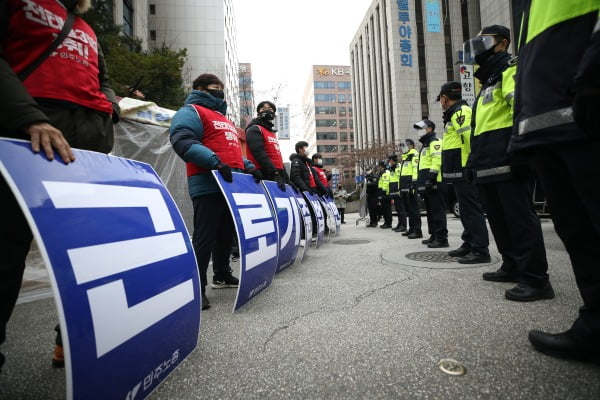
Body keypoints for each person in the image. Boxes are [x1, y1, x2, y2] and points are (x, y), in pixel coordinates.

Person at [0, 0, 120, 371]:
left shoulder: (85, 26)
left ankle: (71, 341)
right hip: (26, 136)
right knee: (6, 250)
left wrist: (109, 107)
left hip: (87, 145)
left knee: (87, 251)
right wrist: (28, 117)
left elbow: (103, 80)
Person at [510, 1, 599, 362]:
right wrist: (518, 140)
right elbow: (529, 70)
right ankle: (594, 326)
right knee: (578, 232)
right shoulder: (532, 8)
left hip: (586, 107)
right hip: (547, 126)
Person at [463, 25, 553, 301]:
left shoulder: (510, 69)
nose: (477, 46)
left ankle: (536, 279)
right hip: (487, 160)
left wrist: (521, 149)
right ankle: (512, 265)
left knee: (519, 219)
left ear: (501, 44)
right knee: (500, 219)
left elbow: (519, 109)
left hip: (507, 156)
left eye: (484, 41)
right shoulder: (489, 79)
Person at [170, 73, 261, 311]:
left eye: (221, 88)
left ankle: (221, 274)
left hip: (230, 186)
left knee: (225, 234)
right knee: (205, 237)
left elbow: (231, 150)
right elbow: (183, 140)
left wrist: (249, 167)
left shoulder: (224, 119)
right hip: (207, 183)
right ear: (200, 88)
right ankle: (196, 287)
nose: (219, 92)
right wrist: (214, 162)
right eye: (214, 87)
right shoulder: (191, 111)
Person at [437, 81, 490, 264]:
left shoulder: (461, 112)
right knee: (466, 210)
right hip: (459, 171)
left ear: (444, 98)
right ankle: (469, 243)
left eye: (441, 99)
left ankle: (480, 249)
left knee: (472, 210)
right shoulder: (455, 113)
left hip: (465, 170)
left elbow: (469, 139)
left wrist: (469, 166)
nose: (441, 103)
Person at [413, 119, 448, 247]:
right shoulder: (425, 145)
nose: (419, 131)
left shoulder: (435, 142)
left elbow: (437, 160)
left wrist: (431, 178)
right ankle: (434, 235)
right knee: (431, 212)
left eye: (421, 128)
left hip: (435, 182)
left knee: (438, 211)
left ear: (430, 129)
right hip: (427, 183)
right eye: (418, 129)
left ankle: (442, 238)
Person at [245, 100, 291, 191]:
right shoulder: (254, 129)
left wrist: (286, 178)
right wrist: (274, 173)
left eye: (270, 109)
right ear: (258, 113)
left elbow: (278, 156)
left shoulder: (271, 133)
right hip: (266, 174)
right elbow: (259, 152)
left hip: (278, 174)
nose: (267, 110)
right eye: (263, 109)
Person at [400, 139, 422, 238]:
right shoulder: (405, 157)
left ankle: (417, 231)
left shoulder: (414, 155)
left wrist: (413, 184)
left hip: (411, 186)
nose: (403, 148)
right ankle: (412, 229)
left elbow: (415, 170)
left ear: (411, 146)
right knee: (408, 210)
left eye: (405, 145)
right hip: (404, 187)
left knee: (414, 209)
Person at [387, 154, 407, 232]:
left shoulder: (398, 167)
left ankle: (403, 225)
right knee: (398, 209)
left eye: (390, 160)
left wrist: (400, 190)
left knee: (401, 209)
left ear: (392, 160)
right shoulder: (392, 168)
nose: (389, 162)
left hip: (398, 191)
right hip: (394, 192)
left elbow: (400, 178)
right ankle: (400, 224)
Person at [377, 161, 392, 229]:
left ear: (382, 166)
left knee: (387, 209)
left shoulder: (386, 172)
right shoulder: (382, 173)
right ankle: (386, 222)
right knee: (384, 209)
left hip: (386, 193)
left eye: (379, 166)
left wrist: (383, 193)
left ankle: (388, 223)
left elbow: (386, 183)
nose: (379, 167)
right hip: (382, 193)